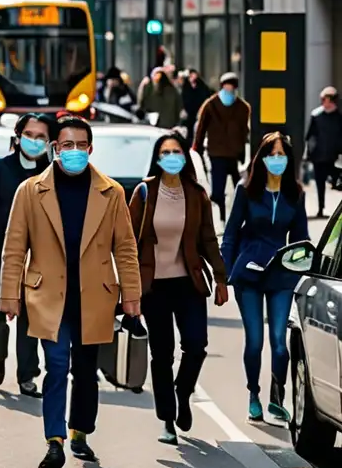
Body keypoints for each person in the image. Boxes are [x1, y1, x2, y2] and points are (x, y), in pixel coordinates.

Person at [0, 115, 142, 468]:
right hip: (49, 296)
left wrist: (132, 297)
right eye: (67, 145)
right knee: (57, 365)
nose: (74, 151)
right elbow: (14, 248)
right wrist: (9, 297)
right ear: (55, 149)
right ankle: (55, 441)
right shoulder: (31, 191)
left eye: (81, 145)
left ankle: (79, 430)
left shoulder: (111, 193)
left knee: (85, 371)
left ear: (90, 150)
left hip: (95, 296)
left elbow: (125, 248)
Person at [128, 132, 228, 445]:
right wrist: (127, 289)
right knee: (162, 354)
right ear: (157, 158)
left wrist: (222, 277)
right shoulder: (145, 192)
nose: (171, 157)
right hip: (154, 286)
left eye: (176, 151)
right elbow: (128, 243)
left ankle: (182, 394)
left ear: (185, 156)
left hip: (189, 282)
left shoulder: (196, 193)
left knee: (196, 345)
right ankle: (168, 419)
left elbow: (208, 239)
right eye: (165, 152)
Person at [221, 131, 308, 423]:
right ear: (262, 157)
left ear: (289, 159)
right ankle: (254, 395)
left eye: (282, 155)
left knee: (279, 342)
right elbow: (231, 233)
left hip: (280, 276)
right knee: (256, 341)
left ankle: (276, 396)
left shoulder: (296, 193)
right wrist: (226, 272)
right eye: (272, 154)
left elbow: (301, 239)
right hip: (248, 274)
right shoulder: (247, 190)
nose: (277, 160)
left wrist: (304, 271)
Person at [0, 113, 48, 395]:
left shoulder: (50, 172)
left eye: (41, 137)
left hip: (39, 256)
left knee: (30, 315)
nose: (35, 141)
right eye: (30, 135)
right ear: (17, 135)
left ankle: (27, 375)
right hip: (3, 254)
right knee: (0, 311)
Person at [193, 72, 251, 222]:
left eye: (231, 88)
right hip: (216, 153)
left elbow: (244, 131)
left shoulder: (243, 107)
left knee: (241, 188)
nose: (229, 91)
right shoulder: (210, 105)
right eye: (226, 87)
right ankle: (220, 218)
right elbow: (201, 129)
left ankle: (238, 217)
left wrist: (243, 154)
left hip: (234, 154)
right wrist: (196, 148)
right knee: (218, 189)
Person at [306, 86, 342, 217]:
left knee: (336, 180)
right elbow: (310, 135)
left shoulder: (338, 117)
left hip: (333, 156)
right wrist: (309, 153)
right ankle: (321, 208)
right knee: (319, 182)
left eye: (325, 99)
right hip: (318, 155)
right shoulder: (316, 116)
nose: (323, 102)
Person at [139, 64, 183, 129]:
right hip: (169, 123)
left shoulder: (150, 89)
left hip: (155, 123)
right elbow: (179, 105)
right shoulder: (172, 90)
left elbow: (142, 103)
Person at [180, 69, 212, 146]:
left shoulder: (202, 87)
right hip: (189, 115)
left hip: (199, 113)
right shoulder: (186, 87)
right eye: (191, 76)